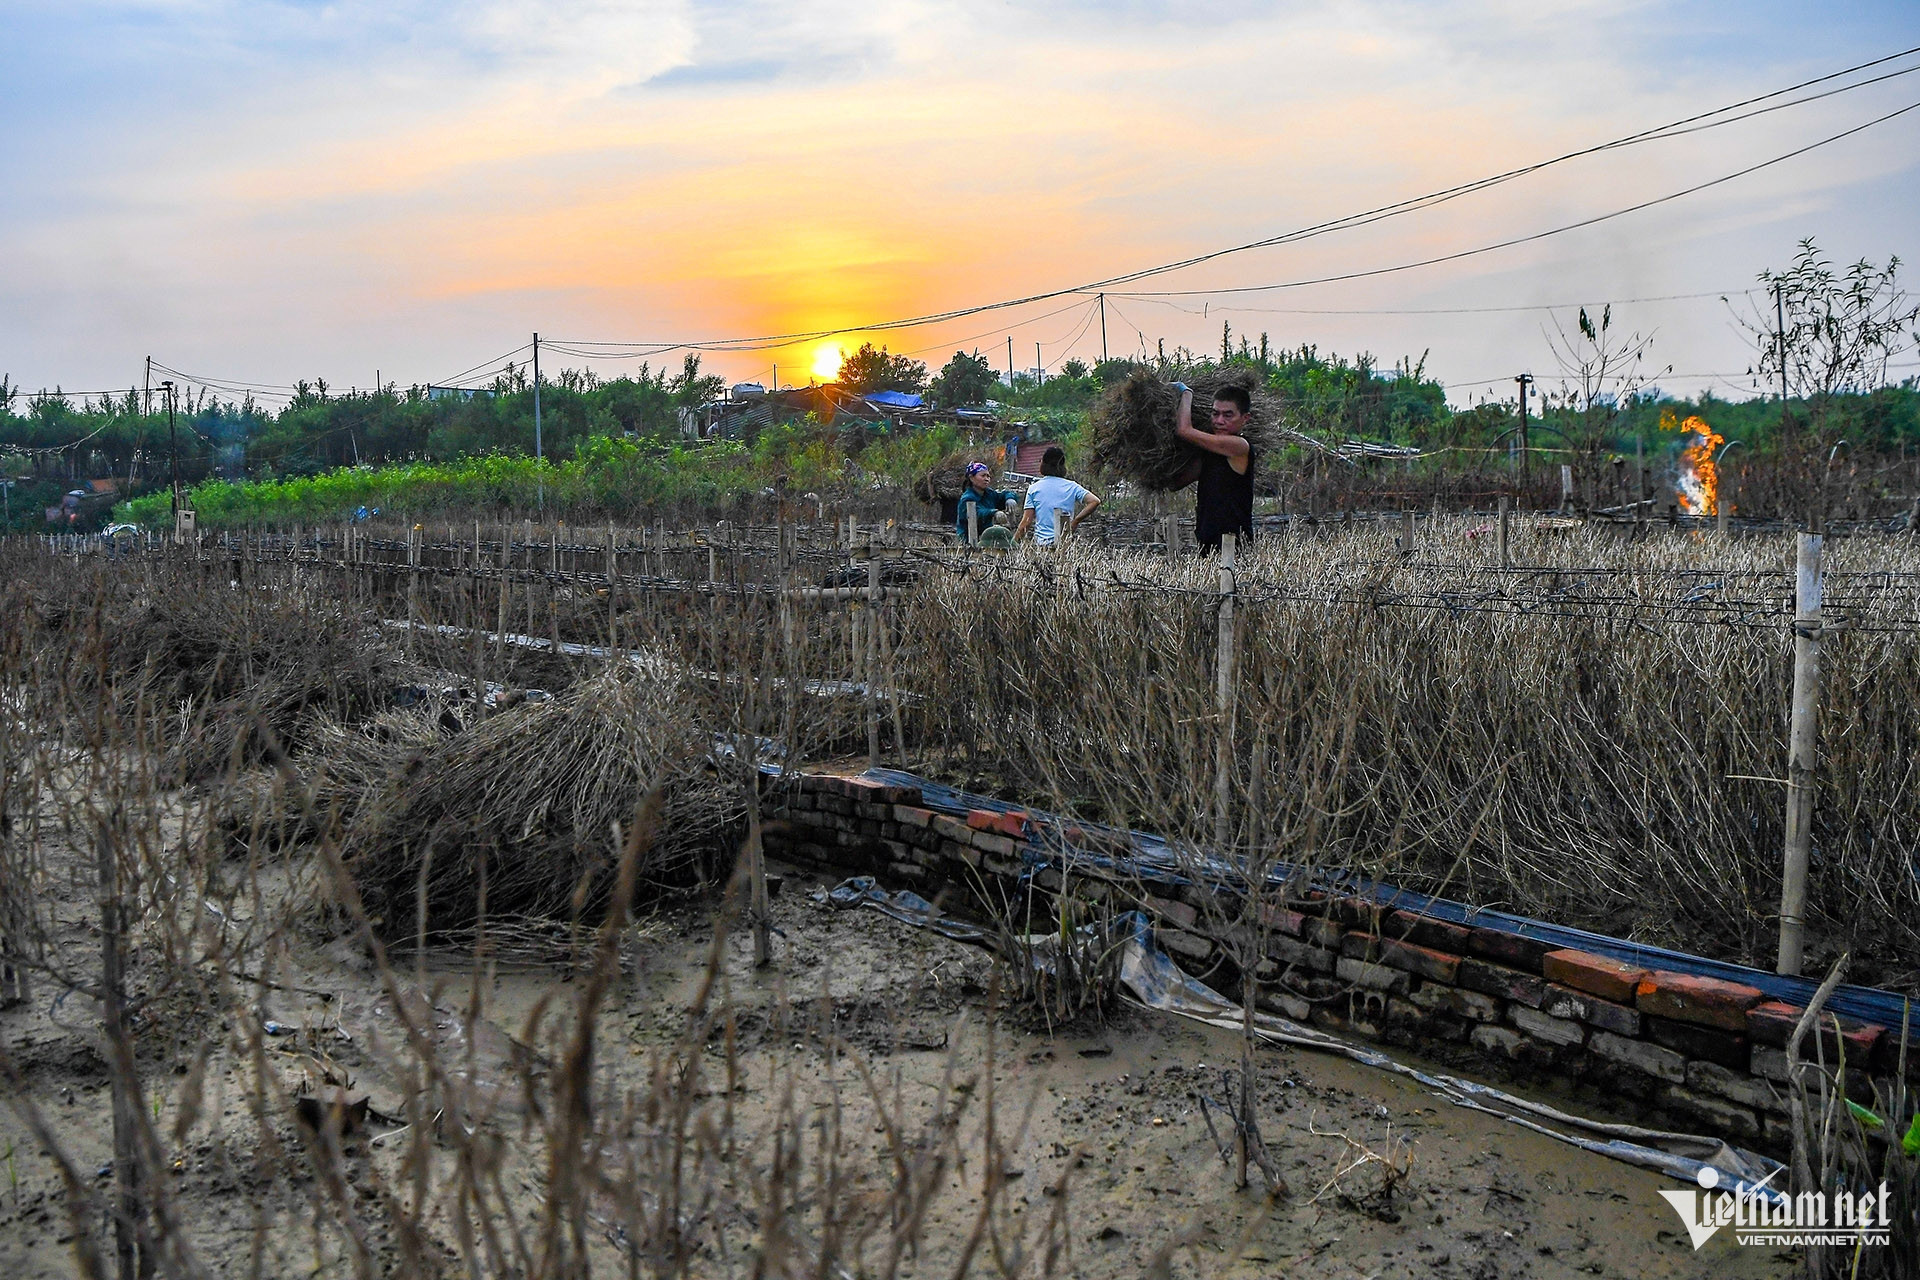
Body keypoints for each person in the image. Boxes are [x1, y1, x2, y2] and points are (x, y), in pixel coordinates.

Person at [1172, 382, 1255, 552]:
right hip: (1206, 541)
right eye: (1215, 413)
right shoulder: (1209, 454)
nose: (1219, 421)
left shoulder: (1239, 446)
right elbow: (1175, 484)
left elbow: (1184, 430)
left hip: (1233, 545)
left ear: (1245, 418)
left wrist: (1185, 392)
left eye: (1228, 415)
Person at [1016, 446, 1101, 546]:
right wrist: (1075, 522)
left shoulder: (1034, 489)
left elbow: (1026, 523)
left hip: (1042, 547)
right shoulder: (1072, 486)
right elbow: (1095, 501)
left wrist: (1012, 544)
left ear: (1043, 463)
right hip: (1064, 545)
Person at [954, 462, 1015, 543]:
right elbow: (977, 513)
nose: (986, 479)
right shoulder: (967, 498)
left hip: (987, 538)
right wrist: (993, 512)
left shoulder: (989, 494)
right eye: (983, 476)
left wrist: (1009, 498)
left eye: (988, 476)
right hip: (968, 540)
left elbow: (1003, 495)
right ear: (971, 478)